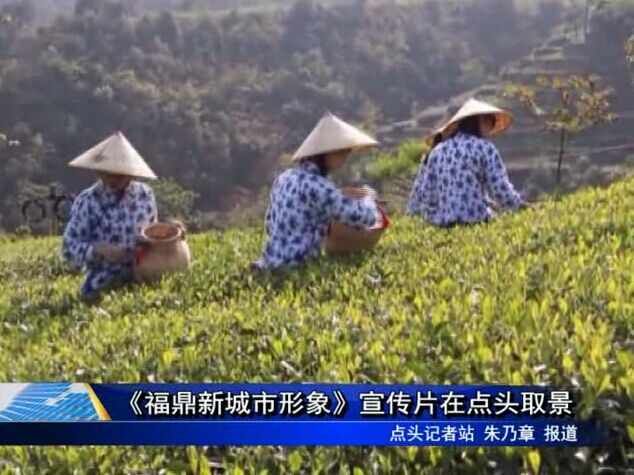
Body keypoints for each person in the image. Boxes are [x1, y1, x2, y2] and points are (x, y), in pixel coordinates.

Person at [255, 112, 386, 269]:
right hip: (298, 264)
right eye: (342, 153)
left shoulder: (285, 177)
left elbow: (270, 223)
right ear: (327, 154)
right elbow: (364, 218)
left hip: (270, 260)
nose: (344, 159)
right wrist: (369, 198)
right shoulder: (319, 186)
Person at [62, 132, 158, 297]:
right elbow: (68, 247)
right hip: (103, 281)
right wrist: (97, 250)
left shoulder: (145, 195)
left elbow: (152, 232)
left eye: (123, 174)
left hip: (143, 276)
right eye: (112, 173)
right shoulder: (88, 201)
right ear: (100, 172)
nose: (118, 179)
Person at [406, 98, 526, 226]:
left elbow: (428, 194)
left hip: (443, 224)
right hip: (475, 220)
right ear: (480, 121)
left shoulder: (437, 152)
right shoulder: (485, 148)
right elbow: (501, 190)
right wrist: (521, 206)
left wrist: (434, 219)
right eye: (490, 121)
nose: (491, 128)